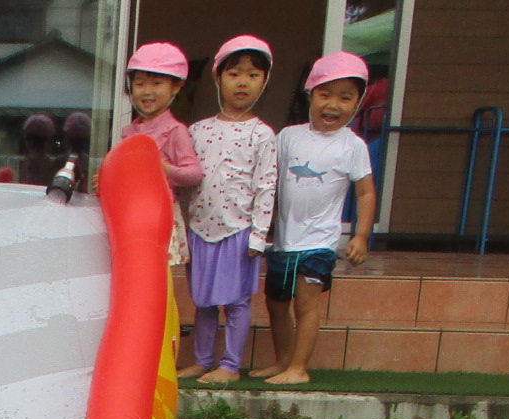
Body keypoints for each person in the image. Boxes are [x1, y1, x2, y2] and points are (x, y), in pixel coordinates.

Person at [260, 52, 377, 386]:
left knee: (306, 303)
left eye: (345, 97)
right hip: (284, 241)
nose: (333, 105)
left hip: (319, 243)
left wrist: (360, 235)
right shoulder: (288, 137)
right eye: (325, 94)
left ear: (358, 102)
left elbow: (365, 192)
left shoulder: (353, 146)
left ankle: (299, 368)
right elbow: (267, 178)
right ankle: (283, 361)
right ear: (310, 94)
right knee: (276, 303)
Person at [182, 35, 278, 384]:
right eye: (234, 73)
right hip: (200, 229)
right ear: (218, 77)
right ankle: (202, 361)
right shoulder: (197, 130)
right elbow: (185, 180)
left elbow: (266, 186)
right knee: (204, 301)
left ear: (264, 81)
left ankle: (231, 365)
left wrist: (259, 234)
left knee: (236, 302)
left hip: (239, 231)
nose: (242, 82)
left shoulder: (262, 134)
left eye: (253, 75)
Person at [118, 42, 203, 274]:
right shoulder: (129, 132)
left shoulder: (175, 130)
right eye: (139, 83)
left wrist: (165, 169)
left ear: (176, 87)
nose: (147, 91)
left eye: (157, 83)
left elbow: (194, 173)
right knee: (134, 273)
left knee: (158, 278)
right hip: (131, 215)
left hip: (158, 215)